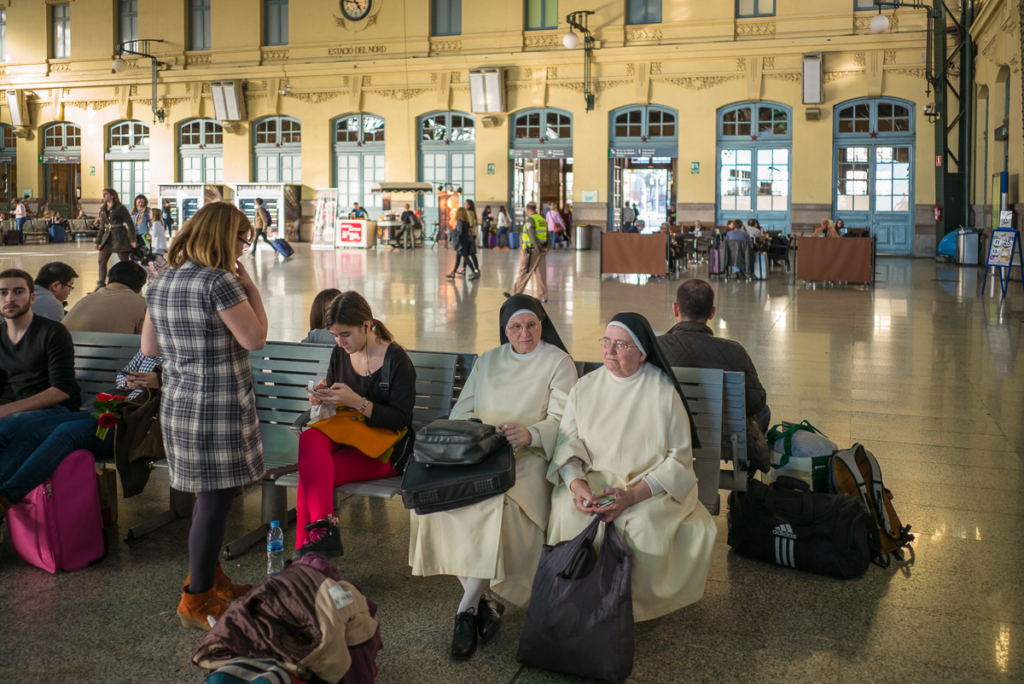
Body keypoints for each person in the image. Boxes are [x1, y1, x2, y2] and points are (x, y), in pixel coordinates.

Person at [409, 295, 578, 660]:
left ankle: (466, 610)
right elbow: (462, 410)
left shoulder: (558, 362)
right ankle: (482, 601)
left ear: (542, 325)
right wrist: (478, 432)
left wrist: (531, 433)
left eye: (531, 325)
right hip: (480, 455)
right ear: (505, 329)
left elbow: (566, 421)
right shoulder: (488, 360)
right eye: (515, 327)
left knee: (494, 506)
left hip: (530, 458)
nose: (524, 334)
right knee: (437, 502)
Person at [142, 201, 268, 630]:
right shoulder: (220, 282)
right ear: (225, 237)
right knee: (215, 502)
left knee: (209, 499)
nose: (244, 247)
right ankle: (196, 599)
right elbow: (254, 338)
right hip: (218, 406)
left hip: (179, 404)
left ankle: (211, 579)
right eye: (243, 239)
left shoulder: (162, 281)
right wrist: (251, 289)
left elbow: (149, 350)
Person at [547, 313, 716, 622]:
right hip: (594, 483)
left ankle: (629, 611)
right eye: (606, 342)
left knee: (639, 524)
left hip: (648, 489)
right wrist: (577, 486)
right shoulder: (584, 388)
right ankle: (576, 599)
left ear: (642, 353)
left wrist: (632, 496)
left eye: (621, 345)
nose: (610, 351)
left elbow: (678, 459)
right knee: (568, 511)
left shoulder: (663, 392)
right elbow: (567, 444)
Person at [294, 292, 417, 558]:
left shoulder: (395, 358)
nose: (340, 342)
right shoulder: (340, 353)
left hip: (386, 447)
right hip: (349, 434)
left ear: (366, 325)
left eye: (345, 335)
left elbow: (401, 419)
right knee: (309, 438)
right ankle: (322, 532)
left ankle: (306, 557)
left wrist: (359, 402)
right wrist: (321, 397)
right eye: (334, 336)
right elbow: (335, 402)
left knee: (310, 478)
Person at [0, 347, 154, 526]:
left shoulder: (180, 353)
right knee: (32, 429)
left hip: (143, 421)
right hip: (119, 409)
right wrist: (129, 381)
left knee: (67, 432)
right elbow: (122, 377)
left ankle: (6, 497)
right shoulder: (150, 348)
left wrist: (160, 381)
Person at [656, 279, 771, 472]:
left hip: (668, 436)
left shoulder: (656, 348)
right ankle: (744, 475)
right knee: (764, 411)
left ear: (675, 309)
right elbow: (756, 403)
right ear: (712, 313)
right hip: (723, 439)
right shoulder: (734, 352)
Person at [0, 268, 83, 519]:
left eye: (18, 291)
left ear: (32, 297)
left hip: (54, 409)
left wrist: (7, 410)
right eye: (2, 293)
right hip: (13, 412)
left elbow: (61, 390)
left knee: (6, 427)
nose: (9, 298)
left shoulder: (52, 332)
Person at [63, 261, 148, 335]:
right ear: (139, 289)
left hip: (65, 346)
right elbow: (146, 341)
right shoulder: (142, 304)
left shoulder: (86, 299)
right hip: (110, 349)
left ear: (108, 282)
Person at [504, 202, 549, 302]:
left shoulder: (530, 220)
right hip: (541, 250)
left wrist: (540, 249)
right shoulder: (541, 219)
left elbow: (532, 236)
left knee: (525, 271)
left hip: (531, 251)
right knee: (540, 273)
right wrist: (546, 248)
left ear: (527, 210)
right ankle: (542, 296)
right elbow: (547, 235)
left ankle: (514, 293)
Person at [93, 188, 137, 291]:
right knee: (101, 261)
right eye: (103, 194)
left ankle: (129, 283)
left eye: (105, 194)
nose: (103, 196)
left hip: (120, 236)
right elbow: (102, 226)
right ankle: (101, 284)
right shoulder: (103, 209)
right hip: (107, 237)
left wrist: (132, 239)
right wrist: (97, 241)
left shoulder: (120, 208)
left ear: (112, 196)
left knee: (124, 262)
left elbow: (130, 223)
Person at [446, 207, 480, 281]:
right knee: (458, 257)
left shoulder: (459, 222)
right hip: (467, 240)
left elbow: (459, 233)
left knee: (466, 258)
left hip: (462, 242)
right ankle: (453, 272)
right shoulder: (466, 221)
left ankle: (474, 273)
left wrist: (450, 232)